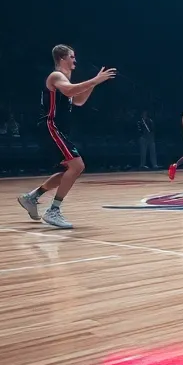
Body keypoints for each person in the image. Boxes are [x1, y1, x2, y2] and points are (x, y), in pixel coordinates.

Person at [16, 46, 116, 229]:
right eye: (72, 57)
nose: (75, 61)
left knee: (67, 171)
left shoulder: (65, 80)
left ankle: (32, 197)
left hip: (58, 129)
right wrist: (94, 79)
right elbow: (70, 92)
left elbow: (78, 101)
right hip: (50, 126)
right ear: (62, 58)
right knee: (77, 166)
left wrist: (95, 83)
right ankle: (53, 211)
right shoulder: (56, 76)